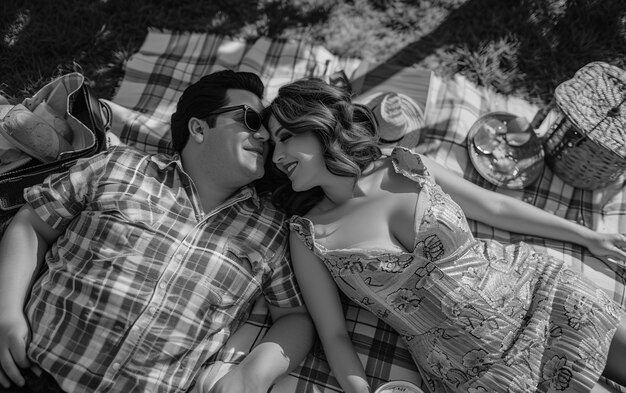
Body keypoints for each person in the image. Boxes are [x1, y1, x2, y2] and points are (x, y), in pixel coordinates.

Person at [261, 77, 626, 393]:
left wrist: (585, 236)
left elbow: (494, 207)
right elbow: (334, 335)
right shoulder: (309, 235)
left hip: (539, 295)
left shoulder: (403, 165)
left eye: (285, 137)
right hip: (481, 369)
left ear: (320, 124)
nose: (277, 155)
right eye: (273, 146)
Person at [0, 70, 314, 393]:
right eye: (250, 120)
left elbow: (295, 316)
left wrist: (252, 375)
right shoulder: (119, 166)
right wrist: (6, 311)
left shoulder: (271, 228)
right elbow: (33, 223)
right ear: (199, 128)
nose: (264, 135)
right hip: (28, 368)